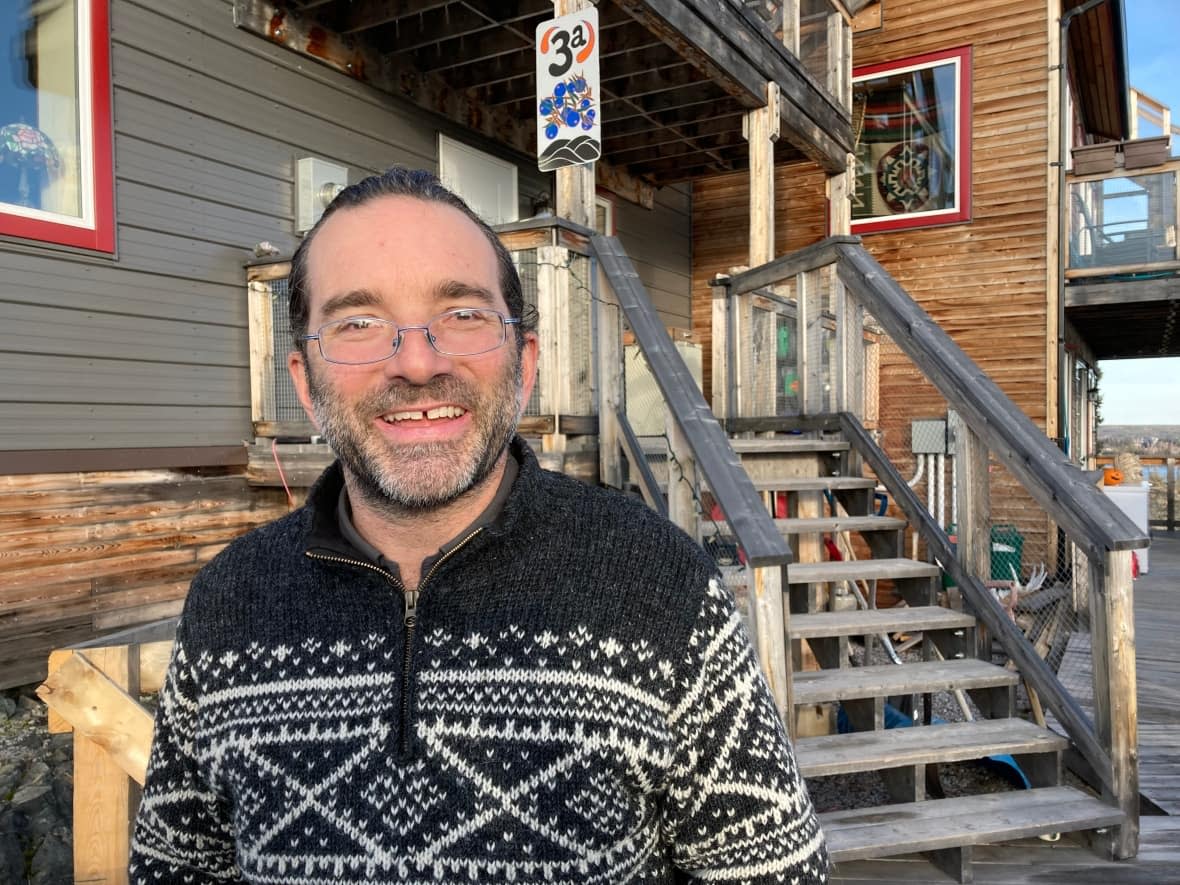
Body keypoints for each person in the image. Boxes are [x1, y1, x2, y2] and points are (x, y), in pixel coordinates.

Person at [129, 167, 828, 884]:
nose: (418, 362)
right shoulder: (226, 603)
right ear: (306, 383)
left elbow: (777, 872)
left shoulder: (659, 584)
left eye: (462, 314)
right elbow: (174, 869)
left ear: (524, 365)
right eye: (358, 323)